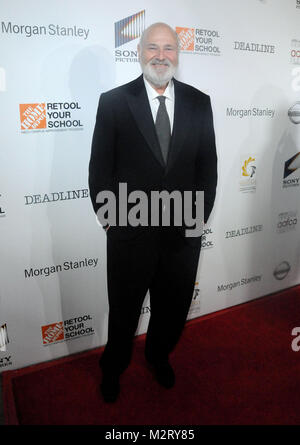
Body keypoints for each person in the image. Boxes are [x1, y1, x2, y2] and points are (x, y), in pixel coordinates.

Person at [89, 22, 217, 402]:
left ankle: (158, 356)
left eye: (169, 48)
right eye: (152, 48)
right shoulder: (113, 102)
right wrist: (115, 224)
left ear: (178, 55)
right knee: (124, 313)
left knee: (172, 310)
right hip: (130, 235)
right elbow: (100, 172)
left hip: (182, 237)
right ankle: (113, 368)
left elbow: (207, 168)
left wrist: (195, 222)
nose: (161, 55)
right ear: (138, 52)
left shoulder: (199, 101)